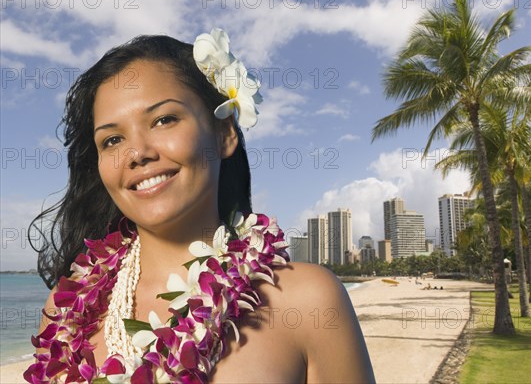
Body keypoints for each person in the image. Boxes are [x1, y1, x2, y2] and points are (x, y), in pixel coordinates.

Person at [25, 29, 375, 383]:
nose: (137, 153)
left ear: (224, 134)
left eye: (164, 119)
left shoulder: (308, 301)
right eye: (113, 140)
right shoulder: (66, 313)